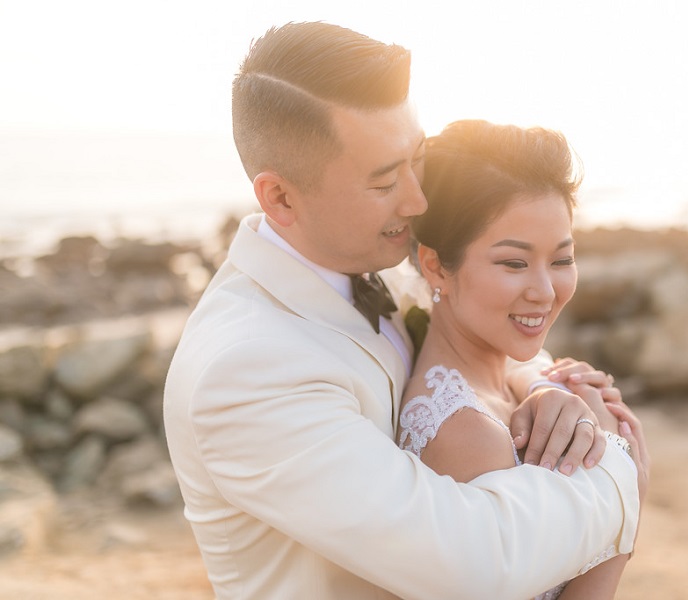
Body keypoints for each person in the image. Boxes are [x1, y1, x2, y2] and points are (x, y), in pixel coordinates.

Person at [163, 21, 642, 599]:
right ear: (281, 197)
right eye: (386, 180)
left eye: (415, 161)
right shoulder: (247, 371)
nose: (418, 200)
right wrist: (618, 469)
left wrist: (542, 389)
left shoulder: (369, 262)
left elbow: (462, 347)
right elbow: (471, 561)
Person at [398, 119, 649, 600]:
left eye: (561, 260)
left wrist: (550, 384)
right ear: (435, 265)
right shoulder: (467, 437)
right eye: (513, 263)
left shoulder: (520, 377)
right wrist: (625, 493)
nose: (545, 291)